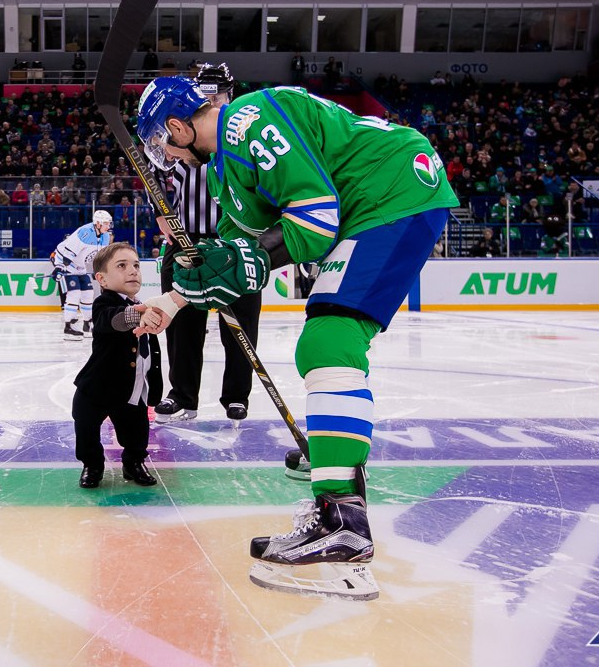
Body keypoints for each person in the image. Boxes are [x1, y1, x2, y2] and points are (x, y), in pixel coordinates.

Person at [134, 76, 456, 601]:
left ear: (177, 126)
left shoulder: (247, 119)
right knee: (324, 344)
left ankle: (342, 522)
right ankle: (338, 497)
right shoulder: (223, 173)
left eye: (160, 143)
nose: (163, 155)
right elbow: (236, 253)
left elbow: (313, 220)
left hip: (390, 190)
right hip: (369, 204)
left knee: (330, 342)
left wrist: (246, 258)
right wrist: (171, 303)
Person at [152, 63, 260, 422]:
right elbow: (151, 163)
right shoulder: (181, 131)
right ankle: (183, 395)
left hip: (236, 243)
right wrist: (159, 209)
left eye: (219, 92)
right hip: (187, 241)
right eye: (205, 92)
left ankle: (236, 396)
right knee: (183, 327)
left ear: (231, 94)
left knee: (241, 325)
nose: (212, 98)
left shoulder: (240, 137)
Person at [72, 242, 163, 489]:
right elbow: (114, 320)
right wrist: (139, 314)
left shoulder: (145, 306)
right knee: (86, 426)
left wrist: (153, 386)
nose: (132, 271)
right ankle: (92, 464)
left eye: (136, 265)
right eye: (121, 266)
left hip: (131, 390)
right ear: (101, 278)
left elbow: (150, 352)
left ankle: (134, 462)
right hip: (97, 387)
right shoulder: (104, 305)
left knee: (137, 431)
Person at [52, 210, 113, 340]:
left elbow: (100, 258)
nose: (109, 226)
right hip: (67, 263)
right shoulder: (84, 232)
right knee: (74, 293)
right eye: (106, 224)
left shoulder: (106, 236)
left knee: (88, 292)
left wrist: (99, 272)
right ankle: (68, 327)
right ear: (98, 223)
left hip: (80, 267)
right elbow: (68, 252)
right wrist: (59, 267)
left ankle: (87, 324)